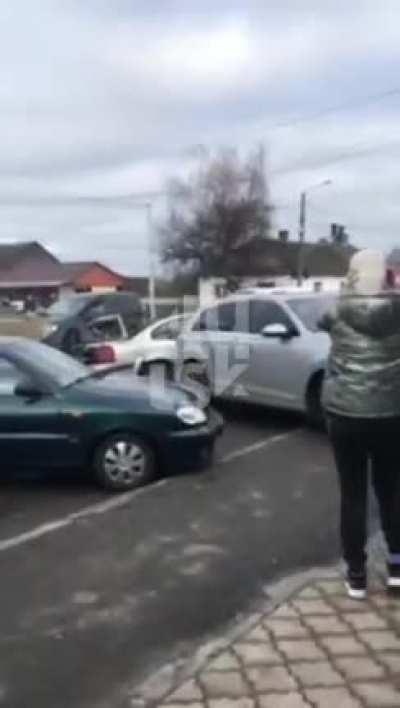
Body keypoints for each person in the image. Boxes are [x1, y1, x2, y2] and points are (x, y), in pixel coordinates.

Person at [322, 249, 400, 600]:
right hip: (390, 415)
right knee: (392, 492)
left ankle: (356, 576)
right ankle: (397, 570)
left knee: (352, 494)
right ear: (386, 275)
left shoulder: (337, 311)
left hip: (344, 416)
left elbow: (319, 321)